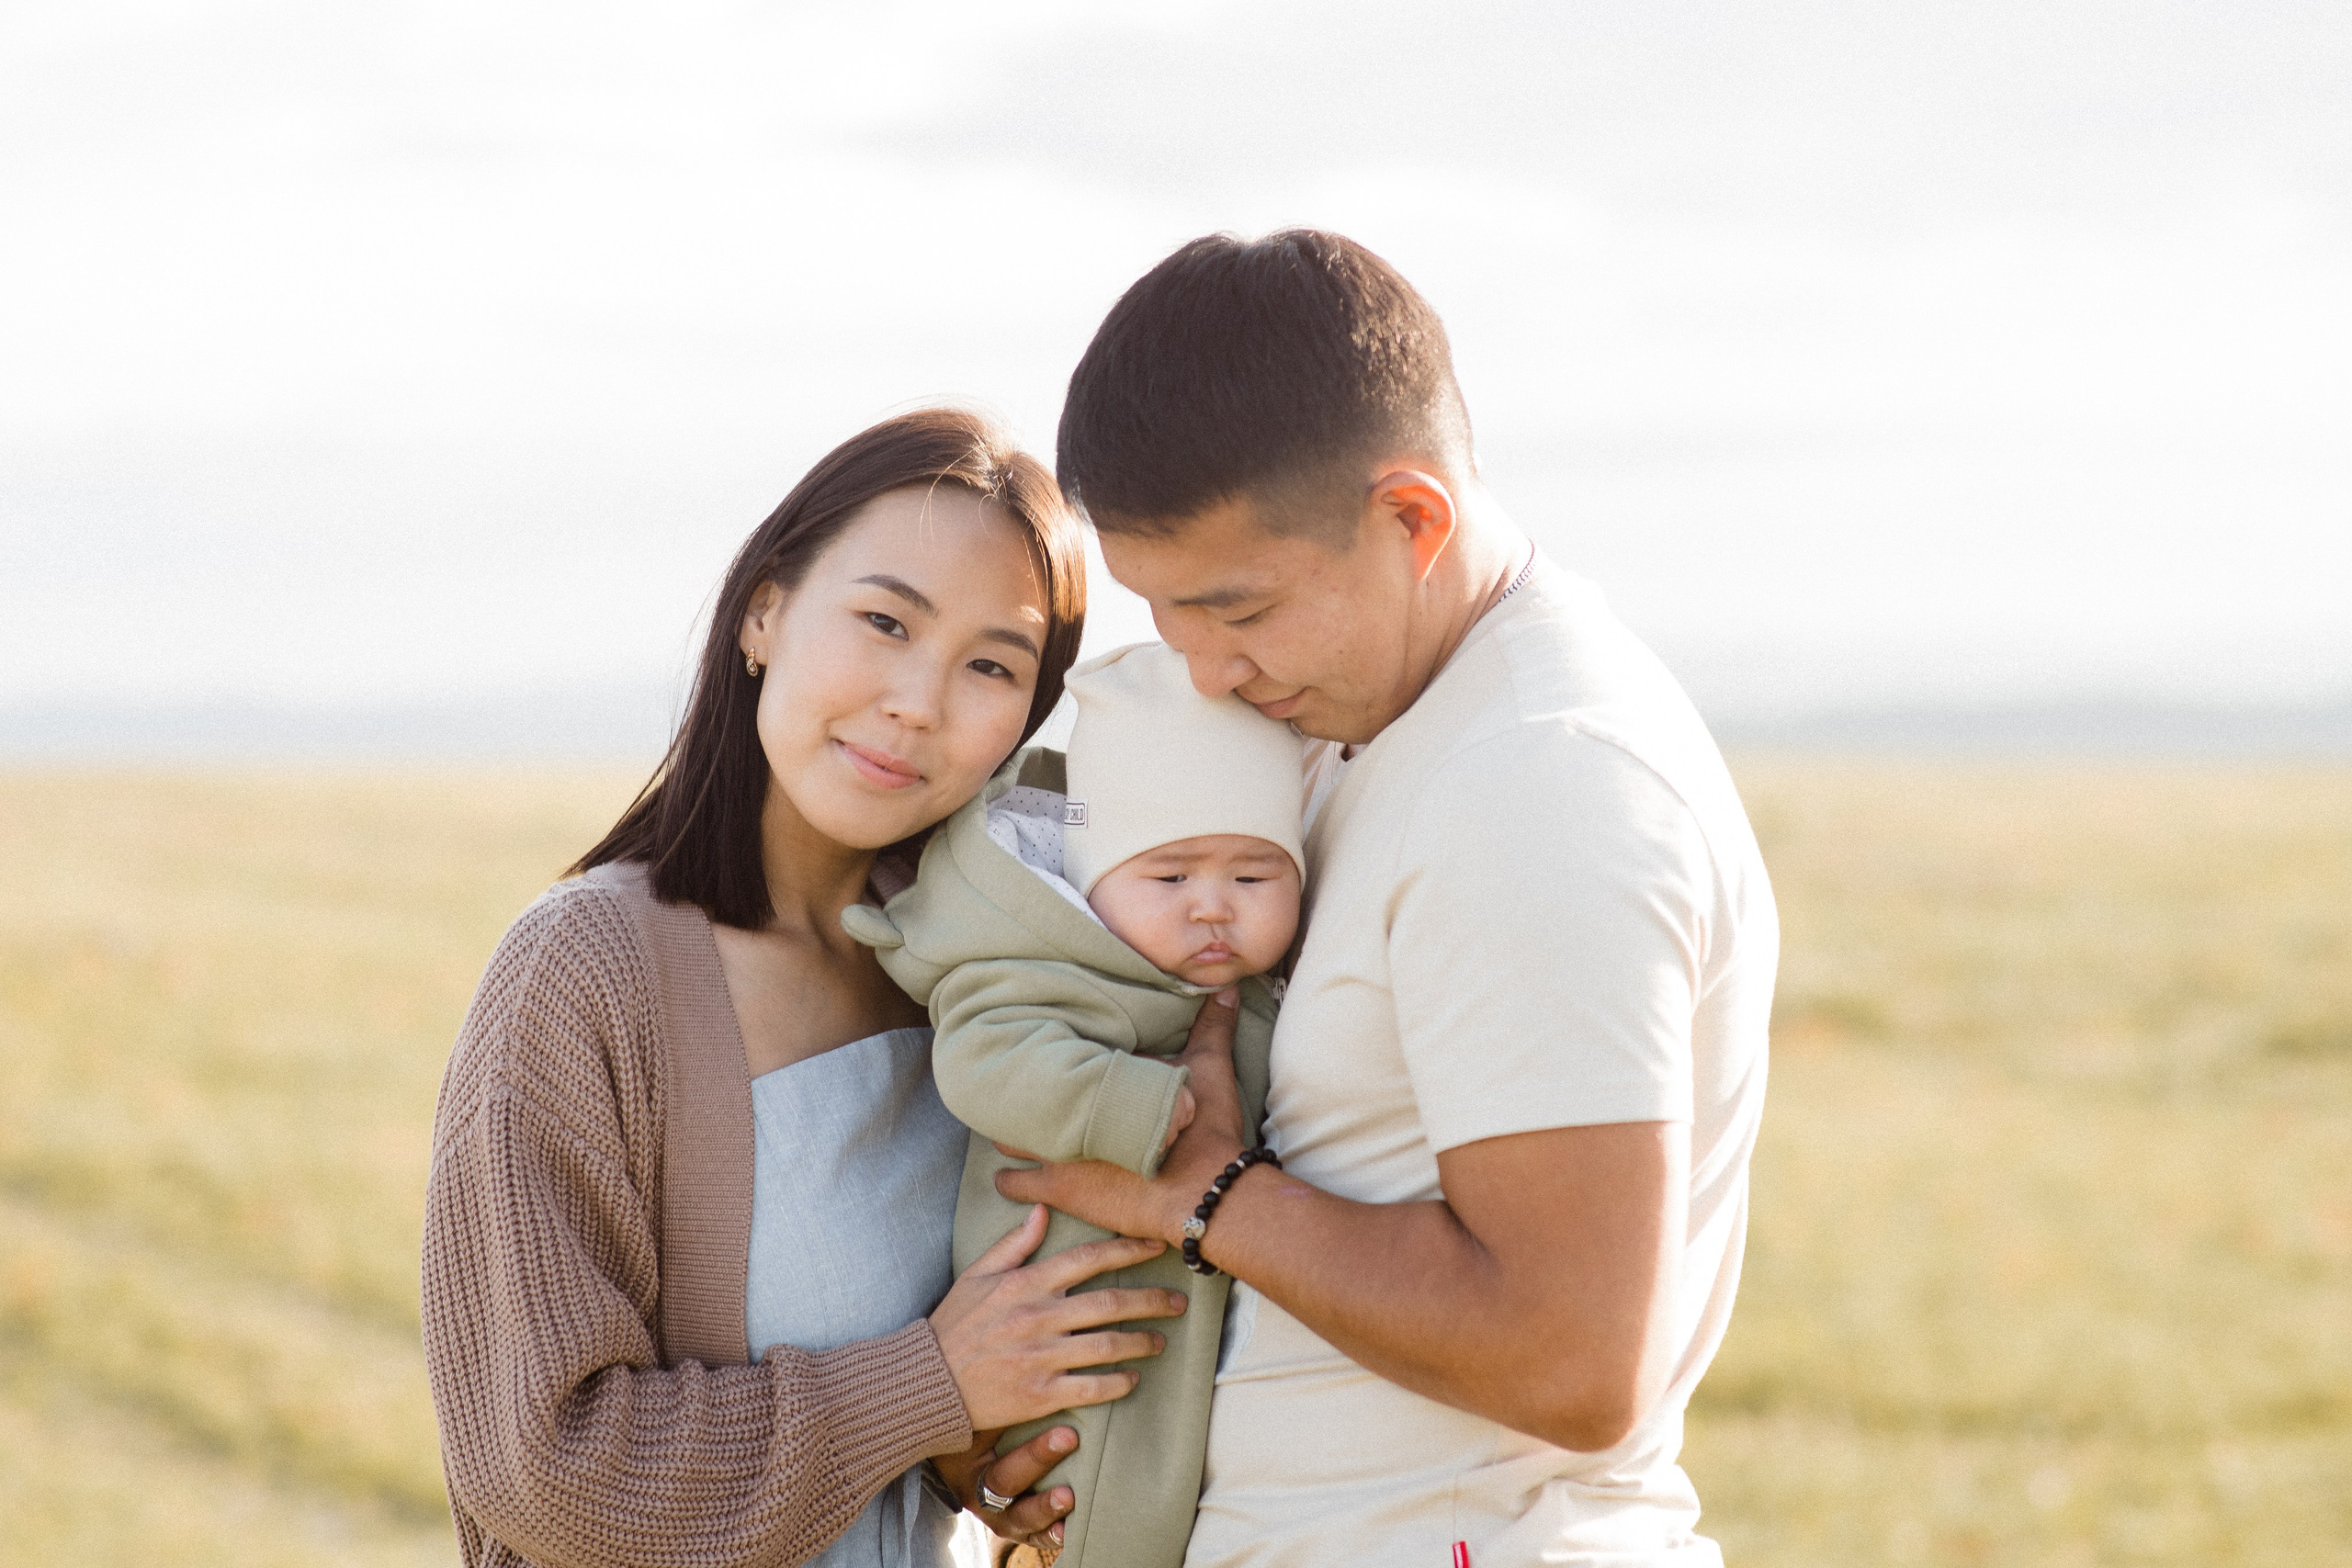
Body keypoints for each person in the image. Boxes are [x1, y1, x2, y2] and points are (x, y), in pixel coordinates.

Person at [994, 231, 1780, 1566]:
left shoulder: (1541, 780)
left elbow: (1574, 1352)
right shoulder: (1382, 720)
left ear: (1412, 518)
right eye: (1169, 618)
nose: (1209, 673)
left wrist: (1211, 1197)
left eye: (1239, 609)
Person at [420, 409, 1179, 1568]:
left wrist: (969, 1451)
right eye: (884, 621)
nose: (917, 702)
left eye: (990, 666)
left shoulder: (978, 986)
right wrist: (928, 1386)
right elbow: (549, 1469)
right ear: (765, 612)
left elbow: (940, 1375)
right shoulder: (583, 976)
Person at [842, 639, 1305, 1568]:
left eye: (1252, 876)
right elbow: (983, 1064)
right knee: (1098, 1503)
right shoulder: (1043, 971)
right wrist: (1132, 1104)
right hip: (1069, 1301)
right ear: (1092, 882)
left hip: (1194, 1308)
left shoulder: (1266, 989)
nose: (1212, 907)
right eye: (1169, 877)